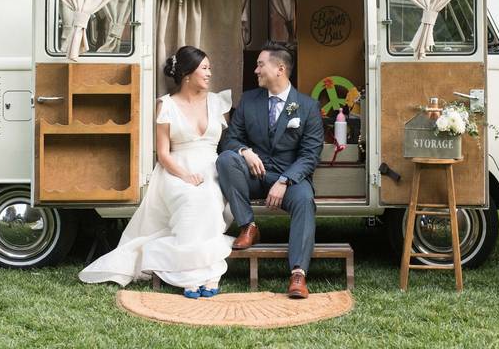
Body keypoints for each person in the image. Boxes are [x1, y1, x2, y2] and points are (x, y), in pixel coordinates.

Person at [79, 46, 234, 298]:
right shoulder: (166, 105)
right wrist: (184, 175)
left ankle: (209, 274)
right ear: (187, 74)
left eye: (209, 69)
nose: (209, 74)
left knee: (209, 197)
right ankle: (193, 276)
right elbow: (163, 153)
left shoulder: (218, 102)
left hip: (212, 166)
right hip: (175, 168)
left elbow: (229, 141)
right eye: (204, 68)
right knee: (191, 199)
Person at [216, 41, 324, 299]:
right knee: (226, 159)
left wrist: (286, 180)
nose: (256, 70)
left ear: (280, 69)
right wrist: (245, 152)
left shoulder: (307, 107)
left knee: (305, 200)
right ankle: (248, 225)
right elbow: (229, 139)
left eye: (260, 65)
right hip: (253, 176)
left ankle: (298, 274)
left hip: (290, 179)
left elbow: (310, 155)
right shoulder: (249, 100)